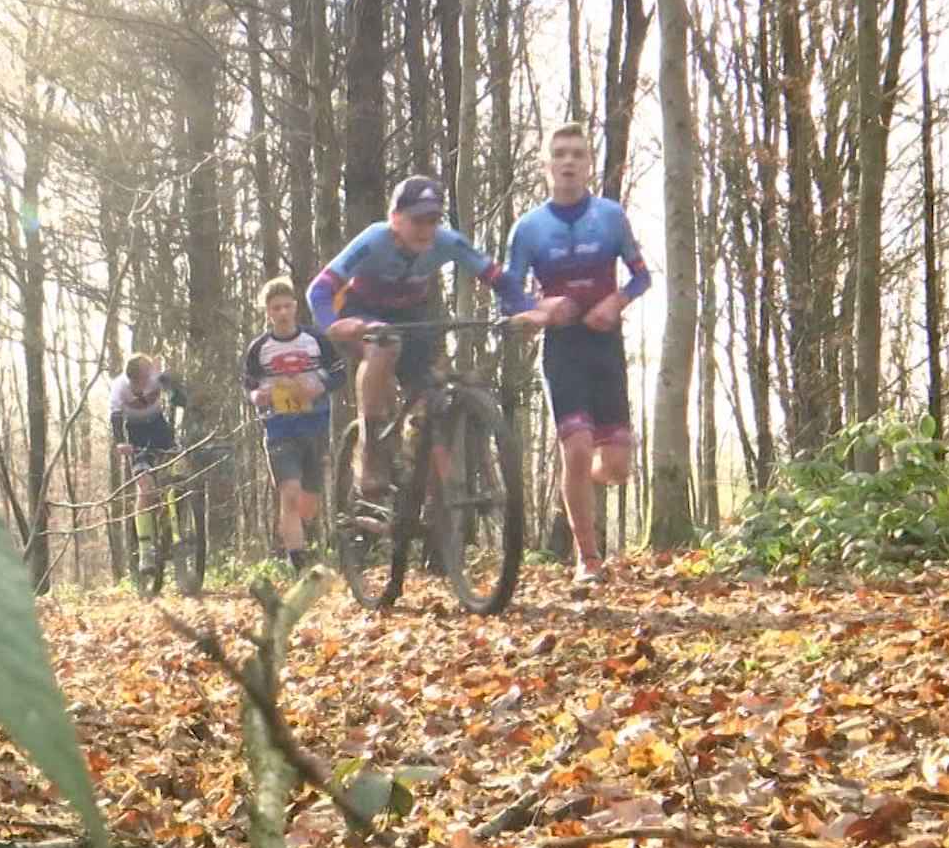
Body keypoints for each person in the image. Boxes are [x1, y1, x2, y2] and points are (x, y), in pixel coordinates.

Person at [307, 176, 529, 503]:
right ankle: (370, 446)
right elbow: (319, 290)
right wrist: (333, 324)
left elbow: (499, 278)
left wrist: (522, 311)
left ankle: (429, 490)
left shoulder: (448, 242)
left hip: (413, 312)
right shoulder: (374, 239)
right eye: (417, 220)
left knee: (432, 391)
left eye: (433, 220)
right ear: (395, 219)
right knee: (386, 344)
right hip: (363, 310)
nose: (426, 229)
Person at [504, 121, 653, 587]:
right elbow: (509, 301)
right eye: (560, 154)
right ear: (546, 165)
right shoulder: (527, 228)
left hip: (605, 345)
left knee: (616, 467)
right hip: (563, 347)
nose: (568, 162)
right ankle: (587, 557)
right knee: (576, 448)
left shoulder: (610, 217)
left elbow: (642, 277)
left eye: (578, 155)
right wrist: (539, 310)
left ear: (589, 165)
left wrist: (617, 301)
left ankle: (576, 486)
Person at [242, 276, 346, 571]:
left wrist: (319, 385)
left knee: (308, 504)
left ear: (296, 307)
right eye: (276, 308)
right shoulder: (259, 348)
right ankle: (297, 561)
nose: (283, 313)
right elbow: (248, 384)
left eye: (287, 306)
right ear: (268, 312)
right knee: (289, 493)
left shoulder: (316, 340)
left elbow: (340, 373)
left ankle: (300, 538)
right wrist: (256, 395)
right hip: (279, 428)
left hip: (315, 424)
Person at [110, 354, 187, 575]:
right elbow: (115, 417)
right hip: (136, 437)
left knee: (179, 475)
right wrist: (120, 443)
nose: (144, 387)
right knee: (145, 488)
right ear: (131, 380)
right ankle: (145, 550)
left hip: (160, 430)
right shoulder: (119, 388)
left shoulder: (156, 376)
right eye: (139, 383)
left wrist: (172, 389)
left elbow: (179, 398)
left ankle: (177, 528)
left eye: (147, 380)